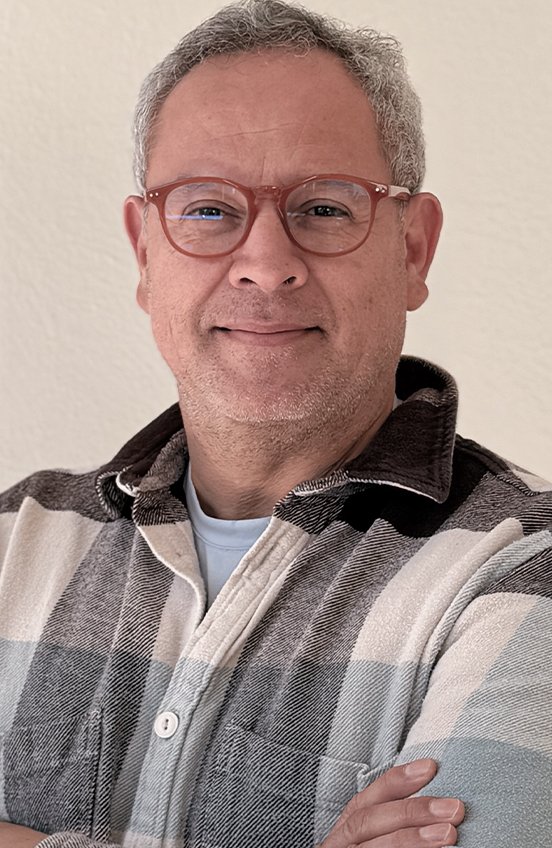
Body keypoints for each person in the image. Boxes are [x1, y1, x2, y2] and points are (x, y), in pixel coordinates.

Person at [1, 0, 551, 846]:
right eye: (208, 209)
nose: (264, 264)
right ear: (145, 251)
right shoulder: (14, 540)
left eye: (324, 208)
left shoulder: (525, 567)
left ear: (413, 248)